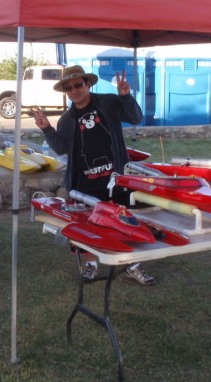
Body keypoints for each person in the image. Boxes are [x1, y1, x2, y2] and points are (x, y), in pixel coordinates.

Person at [31, 64, 156, 285]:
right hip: (84, 182)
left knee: (124, 221)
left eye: (78, 84)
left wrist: (125, 96)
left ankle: (132, 264)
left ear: (88, 84)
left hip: (116, 178)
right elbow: (60, 147)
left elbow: (136, 117)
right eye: (68, 88)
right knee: (87, 224)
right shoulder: (66, 119)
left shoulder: (109, 102)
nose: (74, 90)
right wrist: (46, 128)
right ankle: (91, 264)